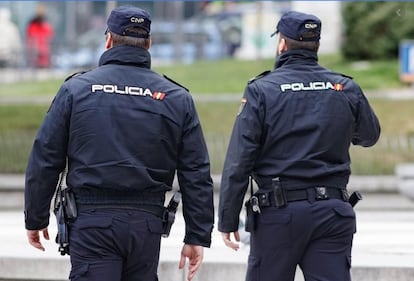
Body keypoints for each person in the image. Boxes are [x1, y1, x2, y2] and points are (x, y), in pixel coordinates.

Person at [24, 5, 214, 281]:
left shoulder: (76, 90)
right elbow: (195, 171)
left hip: (91, 222)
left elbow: (46, 158)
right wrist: (197, 235)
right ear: (148, 44)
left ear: (108, 40)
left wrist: (36, 217)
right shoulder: (176, 97)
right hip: (146, 224)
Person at [218, 10, 380, 281]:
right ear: (315, 45)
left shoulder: (262, 90)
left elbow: (239, 160)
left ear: (282, 43)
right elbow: (370, 135)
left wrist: (228, 218)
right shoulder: (345, 87)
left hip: (279, 216)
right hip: (333, 212)